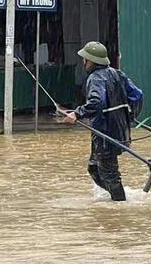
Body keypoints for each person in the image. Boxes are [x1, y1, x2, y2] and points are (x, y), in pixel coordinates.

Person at [61, 41, 143, 203]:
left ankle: (120, 202)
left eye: (85, 59)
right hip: (119, 130)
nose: (83, 62)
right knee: (94, 168)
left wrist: (77, 113)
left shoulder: (95, 78)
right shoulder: (117, 73)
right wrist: (129, 116)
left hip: (106, 131)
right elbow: (137, 95)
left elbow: (97, 102)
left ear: (90, 61)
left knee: (109, 173)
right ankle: (114, 198)